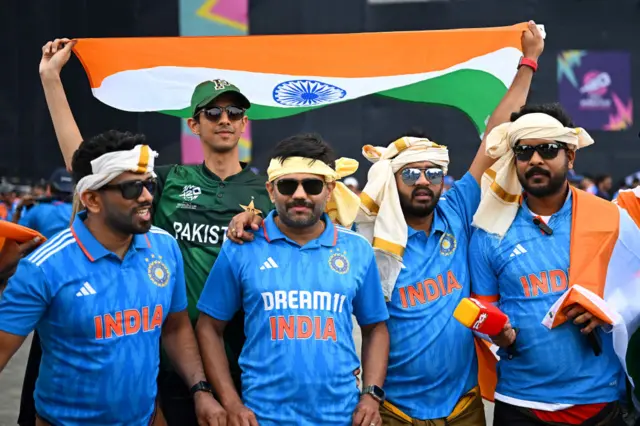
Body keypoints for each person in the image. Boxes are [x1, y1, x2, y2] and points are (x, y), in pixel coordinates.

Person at [226, 21, 544, 425]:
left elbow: (495, 135)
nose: (424, 181)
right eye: (411, 174)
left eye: (433, 172)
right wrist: (251, 217)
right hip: (391, 408)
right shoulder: (364, 232)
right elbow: (301, 213)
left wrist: (528, 63)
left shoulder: (457, 212)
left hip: (463, 406)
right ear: (391, 181)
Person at [39, 38, 272, 425]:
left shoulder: (270, 190)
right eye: (212, 113)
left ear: (245, 123)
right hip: (174, 361)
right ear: (194, 124)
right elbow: (88, 171)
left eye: (234, 112)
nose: (225, 119)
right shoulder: (166, 181)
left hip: (249, 360)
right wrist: (51, 81)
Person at [0, 131, 225, 426]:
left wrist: (200, 389)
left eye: (150, 185)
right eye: (132, 188)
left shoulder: (165, 246)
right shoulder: (45, 267)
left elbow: (176, 327)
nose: (146, 197)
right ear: (92, 199)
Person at [196, 134, 390, 426]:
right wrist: (231, 403)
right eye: (288, 185)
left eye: (312, 185)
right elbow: (209, 327)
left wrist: (371, 395)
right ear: (271, 190)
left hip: (341, 417)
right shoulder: (243, 244)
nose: (300, 194)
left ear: (329, 189)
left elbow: (375, 328)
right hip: (263, 418)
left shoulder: (356, 249)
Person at [469, 103, 632, 425]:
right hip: (520, 403)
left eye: (548, 149)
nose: (536, 160)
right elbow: (484, 308)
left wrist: (610, 311)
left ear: (570, 156)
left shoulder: (611, 218)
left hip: (601, 403)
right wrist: (497, 334)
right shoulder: (489, 230)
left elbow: (635, 287)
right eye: (524, 152)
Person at [9, 168, 74, 426]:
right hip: (82, 284)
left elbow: (16, 238)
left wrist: (19, 210)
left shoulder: (38, 211)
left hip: (44, 287)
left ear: (49, 189)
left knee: (45, 351)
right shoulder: (77, 210)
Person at [12, 168, 74, 237]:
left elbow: (16, 237)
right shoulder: (81, 212)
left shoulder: (37, 210)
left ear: (49, 188)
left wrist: (19, 208)